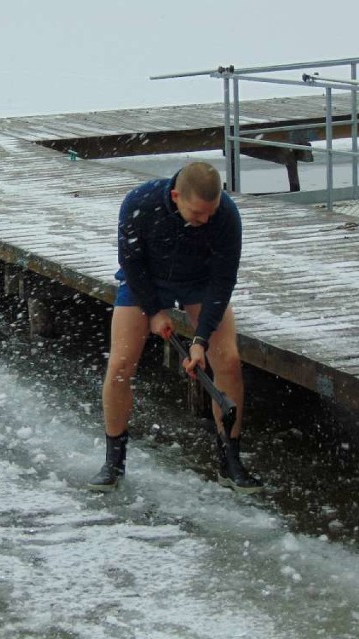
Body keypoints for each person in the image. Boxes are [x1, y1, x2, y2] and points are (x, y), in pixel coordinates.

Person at [87, 161, 263, 494]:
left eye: (210, 213)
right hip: (147, 280)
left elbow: (223, 280)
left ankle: (231, 460)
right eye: (198, 214)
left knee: (228, 361)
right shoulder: (140, 203)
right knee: (121, 364)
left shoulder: (226, 215)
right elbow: (131, 261)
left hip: (201, 283)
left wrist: (199, 340)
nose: (205, 221)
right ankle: (114, 461)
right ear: (175, 195)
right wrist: (154, 310)